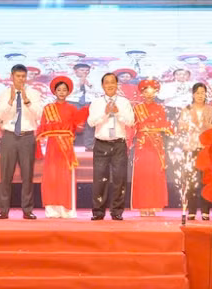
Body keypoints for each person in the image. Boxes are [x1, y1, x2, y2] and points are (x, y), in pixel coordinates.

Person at [0, 64, 44, 219]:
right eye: (18, 76)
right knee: (6, 175)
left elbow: (38, 115)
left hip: (27, 137)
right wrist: (10, 101)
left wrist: (27, 101)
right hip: (9, 136)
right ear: (12, 76)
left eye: (23, 76)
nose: (21, 79)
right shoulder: (4, 94)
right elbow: (0, 116)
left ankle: (27, 210)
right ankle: (3, 210)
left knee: (27, 175)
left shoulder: (34, 94)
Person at [87, 72, 135, 220]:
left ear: (117, 84)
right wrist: (105, 113)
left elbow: (131, 121)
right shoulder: (96, 102)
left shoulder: (124, 102)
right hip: (101, 144)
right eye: (106, 82)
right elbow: (91, 122)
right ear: (102, 86)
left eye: (112, 82)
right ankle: (98, 212)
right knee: (99, 179)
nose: (109, 85)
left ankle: (117, 211)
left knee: (119, 179)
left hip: (119, 144)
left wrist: (118, 113)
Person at [37, 76, 87, 218]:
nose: (61, 92)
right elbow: (42, 127)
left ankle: (67, 209)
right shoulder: (48, 108)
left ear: (68, 92)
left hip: (66, 147)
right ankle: (52, 209)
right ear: (54, 91)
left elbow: (78, 128)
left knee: (65, 176)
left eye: (64, 90)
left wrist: (80, 122)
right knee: (52, 176)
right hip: (52, 146)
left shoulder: (72, 108)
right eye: (59, 89)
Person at [178, 83, 212, 220]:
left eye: (203, 93)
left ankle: (206, 210)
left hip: (206, 149)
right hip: (190, 148)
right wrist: (190, 124)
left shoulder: (211, 110)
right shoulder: (187, 109)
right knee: (190, 180)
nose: (200, 95)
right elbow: (180, 127)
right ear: (193, 95)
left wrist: (207, 126)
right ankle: (191, 210)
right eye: (197, 93)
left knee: (205, 180)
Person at [131, 79, 172, 216]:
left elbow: (164, 124)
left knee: (155, 174)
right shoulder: (137, 108)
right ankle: (143, 206)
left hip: (156, 144)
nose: (149, 94)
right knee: (142, 174)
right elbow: (133, 126)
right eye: (145, 91)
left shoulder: (160, 108)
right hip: (142, 144)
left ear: (156, 92)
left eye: (151, 91)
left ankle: (154, 205)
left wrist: (152, 126)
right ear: (142, 93)